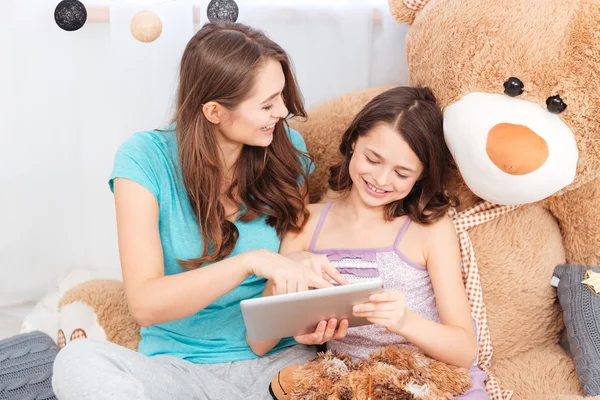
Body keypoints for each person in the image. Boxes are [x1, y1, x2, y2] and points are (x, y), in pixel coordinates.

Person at [52, 22, 346, 400]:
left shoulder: (285, 146)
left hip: (279, 362)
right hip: (178, 370)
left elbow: (290, 258)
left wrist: (306, 306)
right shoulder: (144, 159)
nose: (283, 110)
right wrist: (248, 261)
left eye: (282, 96)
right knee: (76, 361)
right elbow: (144, 304)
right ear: (213, 111)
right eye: (267, 103)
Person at [266, 87, 489, 399]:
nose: (382, 180)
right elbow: (265, 333)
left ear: (421, 177)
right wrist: (302, 327)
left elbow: (465, 350)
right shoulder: (306, 222)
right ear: (354, 140)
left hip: (430, 381)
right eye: (373, 159)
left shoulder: (430, 228)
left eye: (401, 173)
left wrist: (404, 321)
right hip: (354, 384)